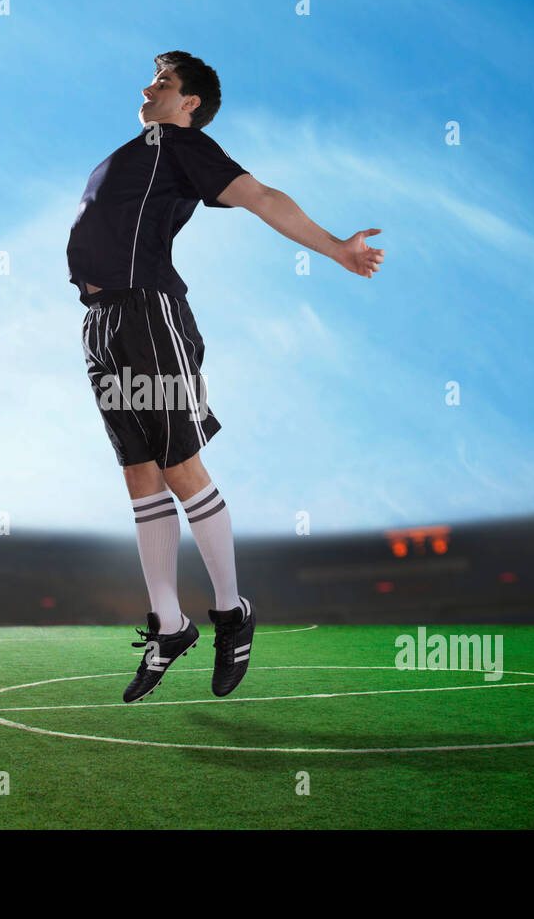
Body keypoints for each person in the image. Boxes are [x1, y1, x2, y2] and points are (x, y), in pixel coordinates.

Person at [67, 51, 385, 703]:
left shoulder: (183, 145)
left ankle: (232, 612)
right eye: (153, 76)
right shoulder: (137, 150)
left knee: (181, 467)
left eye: (166, 81)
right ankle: (169, 622)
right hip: (100, 323)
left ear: (190, 105)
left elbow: (260, 196)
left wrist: (337, 249)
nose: (150, 86)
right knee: (140, 473)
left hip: (148, 313)